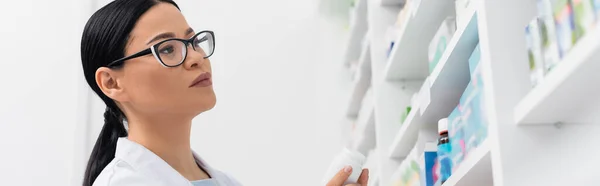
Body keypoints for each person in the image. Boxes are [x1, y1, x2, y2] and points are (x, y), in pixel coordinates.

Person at [80, 0, 369, 185]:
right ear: (111, 83)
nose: (195, 57)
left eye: (193, 41)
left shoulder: (223, 181)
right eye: (167, 49)